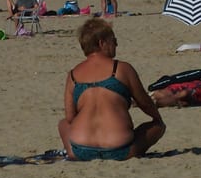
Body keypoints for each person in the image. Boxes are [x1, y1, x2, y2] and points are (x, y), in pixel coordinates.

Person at [58, 18, 165, 160]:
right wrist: (157, 117)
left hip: (81, 149)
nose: (116, 44)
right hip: (119, 149)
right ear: (102, 43)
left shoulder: (73, 75)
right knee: (158, 126)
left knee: (63, 123)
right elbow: (144, 103)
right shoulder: (122, 69)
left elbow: (70, 117)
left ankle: (71, 152)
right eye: (113, 40)